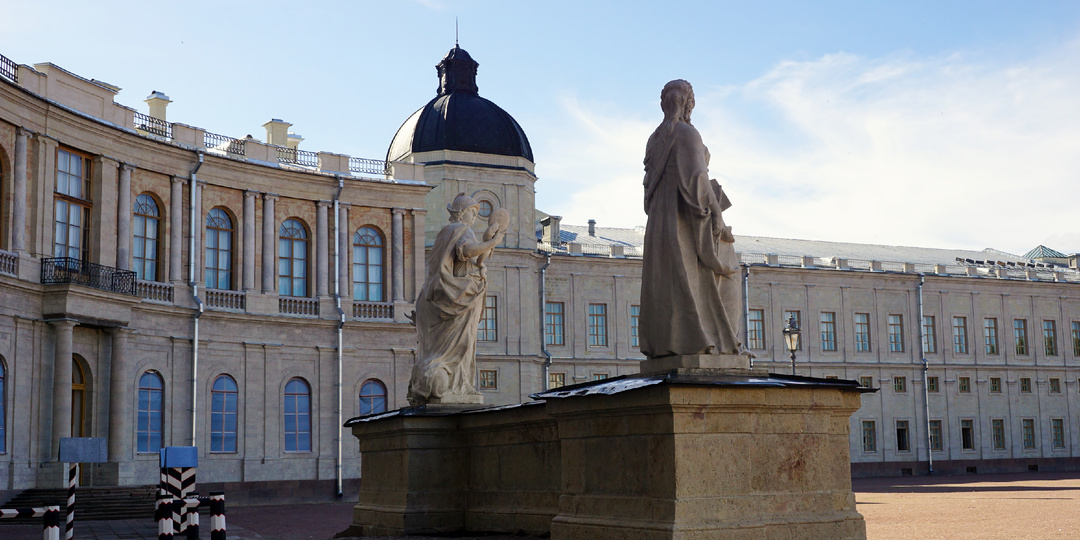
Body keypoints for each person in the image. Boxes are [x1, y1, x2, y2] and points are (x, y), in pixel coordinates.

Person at [640, 79, 744, 358]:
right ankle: (707, 341)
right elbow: (697, 181)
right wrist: (718, 213)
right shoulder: (687, 133)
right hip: (681, 221)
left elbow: (648, 185)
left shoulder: (655, 138)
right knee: (713, 273)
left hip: (659, 221)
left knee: (667, 282)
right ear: (688, 103)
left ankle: (665, 343)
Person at [407, 193, 507, 406]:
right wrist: (494, 241)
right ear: (463, 212)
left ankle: (453, 383)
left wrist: (488, 242)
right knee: (460, 342)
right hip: (459, 295)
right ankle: (452, 383)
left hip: (454, 294)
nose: (474, 217)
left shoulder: (447, 232)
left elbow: (475, 259)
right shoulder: (460, 230)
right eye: (473, 212)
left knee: (454, 343)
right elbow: (467, 251)